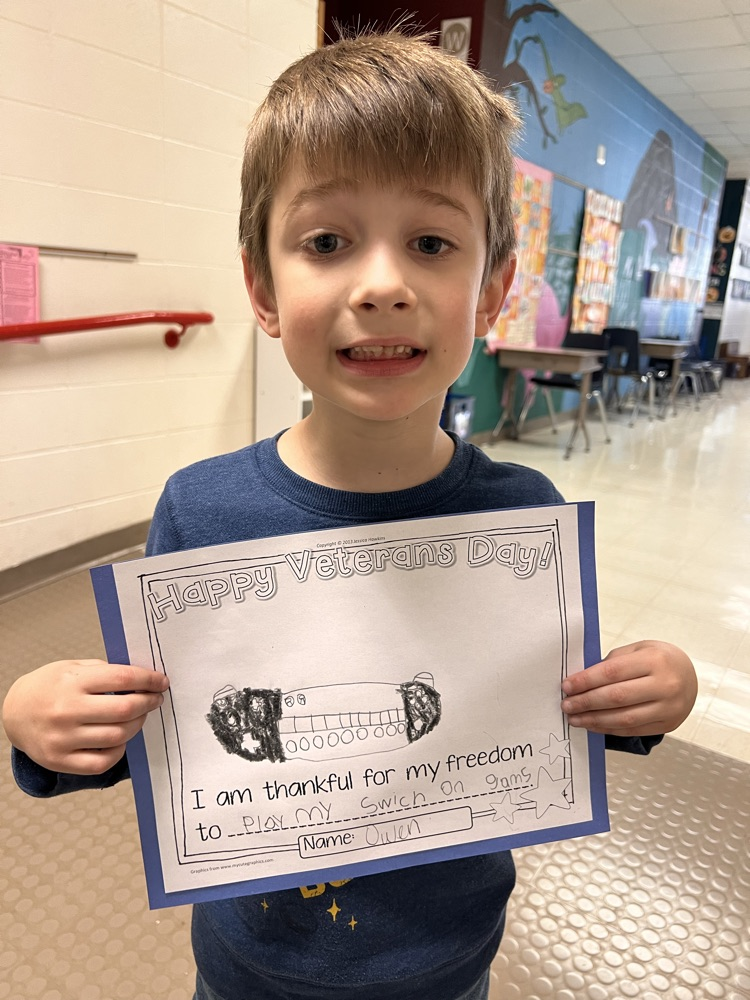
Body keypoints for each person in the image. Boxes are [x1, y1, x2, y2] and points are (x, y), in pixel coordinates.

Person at [2, 29, 697, 1000]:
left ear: (492, 290)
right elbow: (173, 740)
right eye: (327, 242)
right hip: (251, 971)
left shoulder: (520, 522)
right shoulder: (201, 511)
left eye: (431, 243)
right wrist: (44, 725)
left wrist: (651, 695)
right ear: (262, 288)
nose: (382, 285)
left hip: (447, 967)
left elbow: (550, 710)